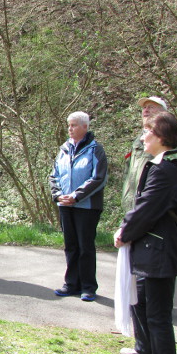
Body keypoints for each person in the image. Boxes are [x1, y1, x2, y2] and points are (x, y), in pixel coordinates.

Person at [114, 112, 177, 354]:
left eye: (147, 131)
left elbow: (147, 209)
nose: (142, 136)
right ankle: (145, 349)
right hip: (152, 248)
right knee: (141, 302)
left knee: (159, 316)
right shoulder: (164, 164)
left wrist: (124, 232)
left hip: (161, 250)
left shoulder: (166, 170)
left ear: (161, 137)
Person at [49, 111, 108, 301]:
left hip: (87, 207)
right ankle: (71, 284)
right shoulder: (64, 149)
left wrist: (76, 196)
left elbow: (98, 178)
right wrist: (58, 195)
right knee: (71, 246)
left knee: (85, 246)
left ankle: (88, 287)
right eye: (69, 125)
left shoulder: (95, 149)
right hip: (65, 205)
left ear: (85, 127)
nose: (70, 128)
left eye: (74, 125)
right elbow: (54, 175)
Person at [122, 97, 168, 214]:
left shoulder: (167, 141)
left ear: (163, 113)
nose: (146, 110)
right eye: (144, 107)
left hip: (152, 208)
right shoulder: (138, 140)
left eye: (151, 107)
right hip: (132, 205)